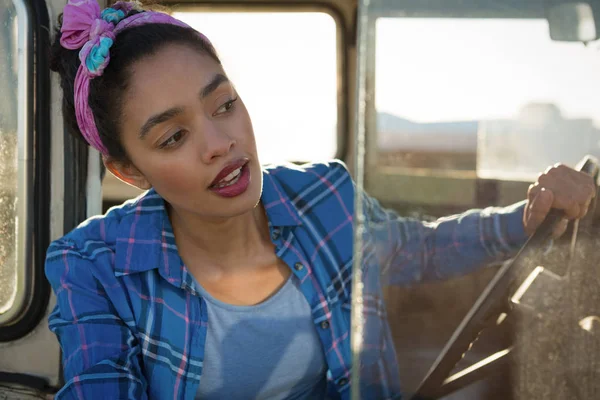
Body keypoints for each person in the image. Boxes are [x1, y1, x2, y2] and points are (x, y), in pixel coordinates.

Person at [45, 1, 597, 399]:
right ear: (129, 171)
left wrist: (526, 217)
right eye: (174, 137)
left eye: (223, 105)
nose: (221, 143)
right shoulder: (93, 267)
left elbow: (420, 248)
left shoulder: (324, 196)